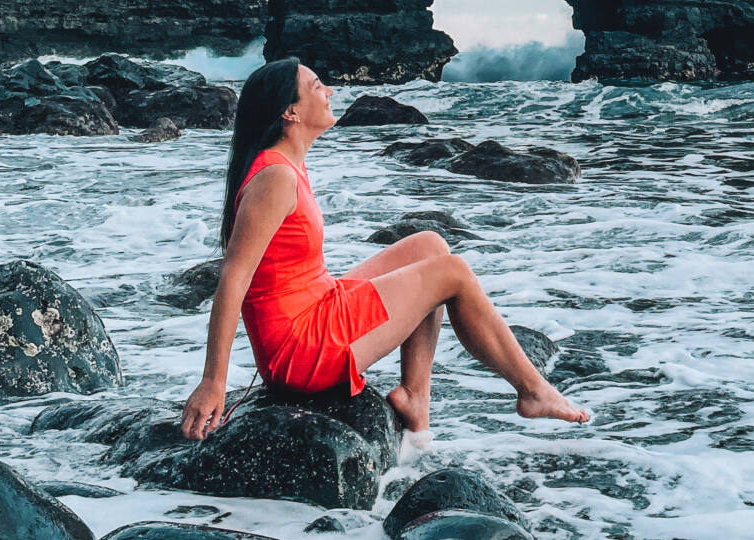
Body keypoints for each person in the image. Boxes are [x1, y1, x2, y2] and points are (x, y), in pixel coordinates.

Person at [180, 58, 589, 440]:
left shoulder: (286, 165)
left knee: (430, 245)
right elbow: (234, 277)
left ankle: (415, 397)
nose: (330, 92)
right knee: (453, 273)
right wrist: (214, 382)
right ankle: (533, 391)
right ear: (291, 112)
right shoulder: (275, 178)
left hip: (316, 306)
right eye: (317, 86)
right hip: (300, 348)